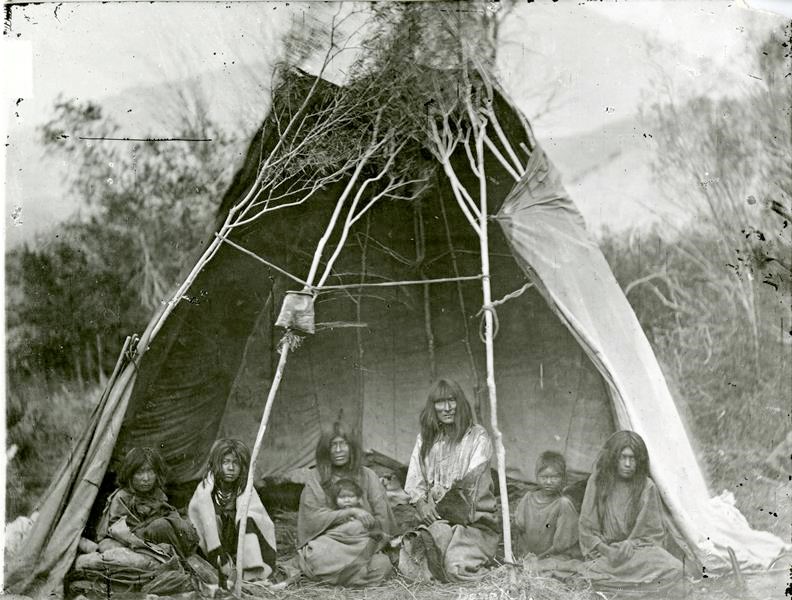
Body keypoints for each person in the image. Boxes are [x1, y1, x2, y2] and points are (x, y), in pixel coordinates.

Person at [400, 379, 498, 583]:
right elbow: (415, 480)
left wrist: (437, 509)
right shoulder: (426, 439)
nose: (447, 408)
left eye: (451, 400)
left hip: (473, 524)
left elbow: (469, 488)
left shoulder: (477, 437)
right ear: (432, 406)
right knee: (413, 566)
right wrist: (421, 504)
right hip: (437, 521)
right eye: (440, 402)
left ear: (460, 402)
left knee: (456, 569)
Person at [578, 430, 683, 593]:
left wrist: (630, 544)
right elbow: (586, 530)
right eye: (623, 457)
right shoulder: (598, 481)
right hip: (605, 556)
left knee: (675, 568)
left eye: (632, 458)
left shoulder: (646, 487)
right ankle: (637, 590)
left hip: (635, 556)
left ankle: (617, 590)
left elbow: (653, 535)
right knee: (583, 573)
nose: (627, 464)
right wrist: (607, 551)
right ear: (614, 458)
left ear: (639, 460)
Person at [297, 422, 396, 586]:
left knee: (381, 565)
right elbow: (311, 518)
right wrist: (350, 513)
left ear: (352, 447)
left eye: (343, 444)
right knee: (316, 555)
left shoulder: (368, 475)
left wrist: (365, 530)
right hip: (330, 545)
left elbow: (382, 518)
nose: (337, 450)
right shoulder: (316, 477)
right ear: (325, 450)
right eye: (333, 445)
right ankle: (350, 575)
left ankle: (333, 577)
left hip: (364, 543)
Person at [188, 438, 277, 585]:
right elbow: (199, 523)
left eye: (236, 463)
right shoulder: (205, 491)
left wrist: (244, 519)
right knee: (213, 519)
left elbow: (260, 519)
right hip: (211, 550)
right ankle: (220, 568)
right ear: (217, 464)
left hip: (238, 547)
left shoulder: (246, 490)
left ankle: (250, 570)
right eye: (226, 462)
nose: (231, 468)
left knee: (248, 518)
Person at [97, 447, 198, 558]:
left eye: (151, 471)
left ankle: (180, 557)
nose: (146, 478)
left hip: (156, 543)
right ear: (130, 474)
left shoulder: (158, 494)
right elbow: (119, 532)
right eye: (140, 473)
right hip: (131, 543)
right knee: (160, 526)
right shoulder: (121, 498)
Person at [514, 451, 580, 560]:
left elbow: (561, 545)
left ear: (563, 478)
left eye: (554, 477)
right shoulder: (528, 498)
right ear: (536, 477)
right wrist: (525, 555)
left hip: (552, 557)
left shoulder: (563, 504)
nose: (549, 482)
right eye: (544, 477)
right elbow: (520, 530)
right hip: (528, 556)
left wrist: (539, 558)